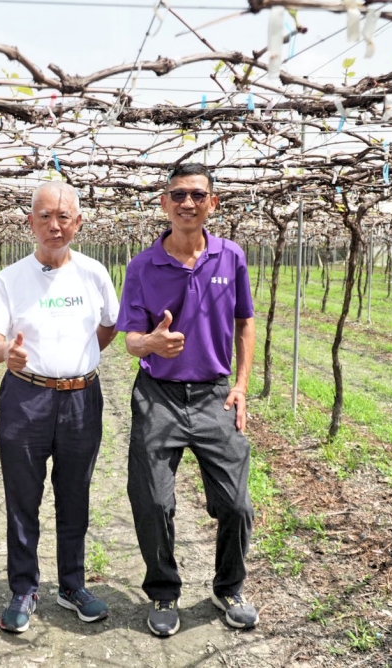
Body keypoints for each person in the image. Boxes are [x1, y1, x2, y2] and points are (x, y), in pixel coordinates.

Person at [117, 162, 258, 636]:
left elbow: (245, 323)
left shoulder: (231, 256)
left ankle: (228, 587)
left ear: (212, 203)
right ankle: (163, 591)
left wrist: (240, 386)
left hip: (215, 395)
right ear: (164, 203)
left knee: (236, 504)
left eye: (197, 195)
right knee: (153, 500)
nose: (187, 203)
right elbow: (131, 341)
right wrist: (152, 344)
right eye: (178, 195)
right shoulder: (142, 266)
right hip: (158, 396)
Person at [0, 181, 118, 633]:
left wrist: (80, 362)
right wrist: (7, 355)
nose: (54, 226)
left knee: (75, 493)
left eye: (64, 217)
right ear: (30, 222)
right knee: (23, 496)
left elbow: (110, 326)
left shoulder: (95, 273)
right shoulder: (9, 277)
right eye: (44, 216)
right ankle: (24, 587)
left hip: (81, 398)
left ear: (78, 223)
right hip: (26, 397)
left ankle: (72, 584)